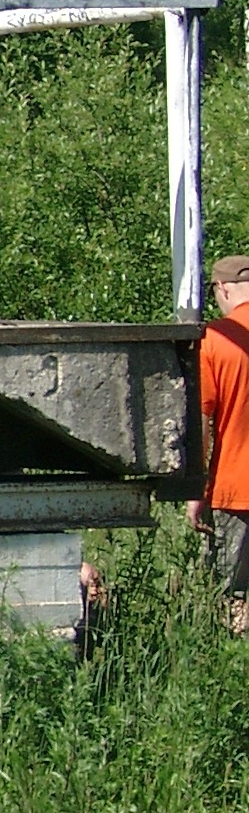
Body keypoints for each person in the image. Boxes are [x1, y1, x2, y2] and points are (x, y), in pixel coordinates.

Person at [189, 255, 249, 617]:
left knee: (228, 598)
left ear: (223, 288)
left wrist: (196, 487)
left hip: (235, 490)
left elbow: (202, 420)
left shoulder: (216, 337)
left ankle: (234, 662)